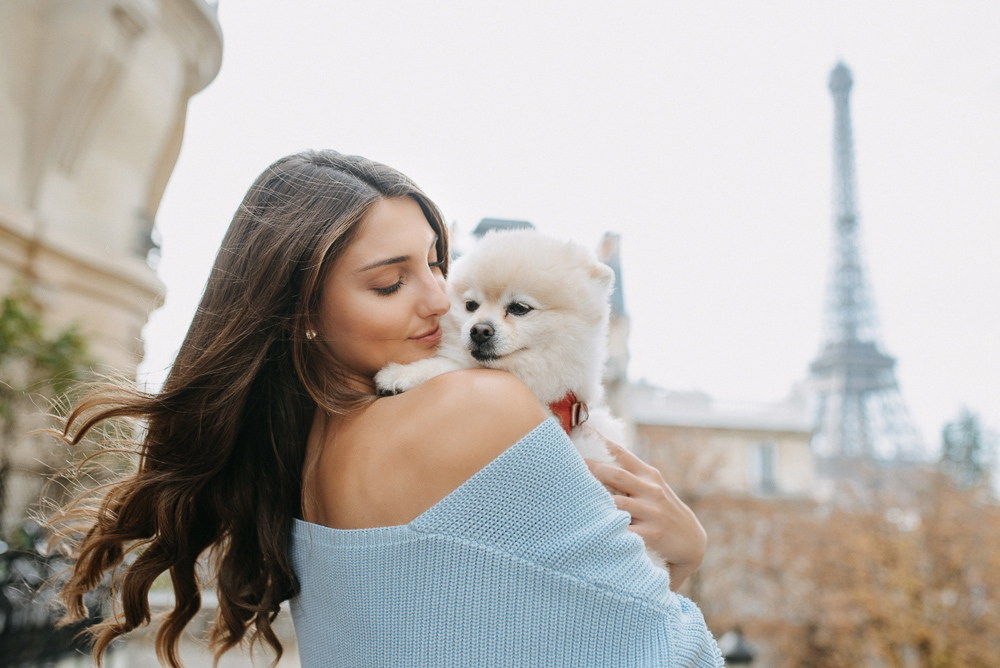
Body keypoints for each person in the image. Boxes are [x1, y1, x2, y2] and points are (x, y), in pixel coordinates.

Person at [53, 150, 722, 667]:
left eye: (437, 262)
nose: (439, 300)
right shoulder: (478, 406)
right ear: (302, 313)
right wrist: (683, 558)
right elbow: (666, 650)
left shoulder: (297, 466)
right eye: (390, 282)